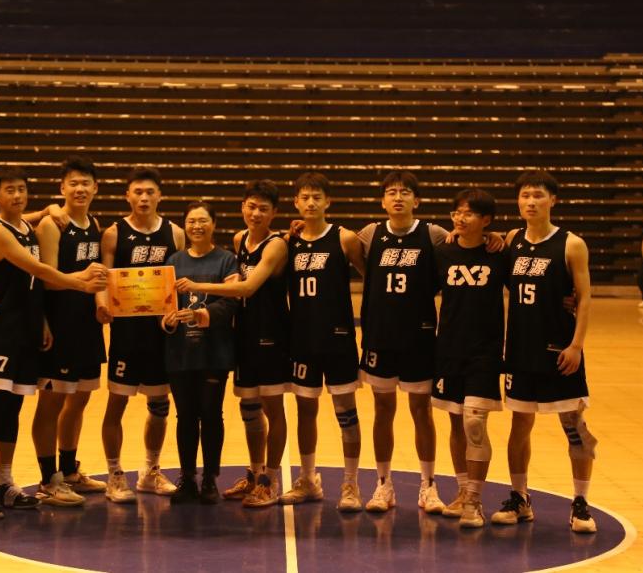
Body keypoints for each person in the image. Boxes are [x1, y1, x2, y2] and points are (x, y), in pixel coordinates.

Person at [0, 166, 107, 517]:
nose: (17, 196)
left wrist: (42, 320)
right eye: (9, 190)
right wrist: (80, 282)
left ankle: (4, 481)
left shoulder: (25, 227)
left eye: (21, 189)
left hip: (28, 328)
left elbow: (32, 275)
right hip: (2, 329)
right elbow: (40, 271)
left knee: (12, 409)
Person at [493, 170, 599, 534]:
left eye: (538, 195)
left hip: (560, 351)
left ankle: (580, 502)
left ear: (553, 200)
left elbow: (584, 297)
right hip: (521, 351)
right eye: (525, 195)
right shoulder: (512, 240)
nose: (531, 202)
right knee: (519, 425)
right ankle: (519, 497)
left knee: (574, 426)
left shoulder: (571, 244)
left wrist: (576, 345)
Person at [175, 180, 290, 508]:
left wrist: (198, 286)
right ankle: (254, 473)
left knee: (273, 407)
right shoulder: (240, 240)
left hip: (272, 335)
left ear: (274, 212)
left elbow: (247, 288)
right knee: (249, 408)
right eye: (251, 207)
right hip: (244, 335)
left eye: (264, 209)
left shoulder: (276, 245)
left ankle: (270, 479)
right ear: (242, 208)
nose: (256, 213)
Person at [356, 171, 445, 515]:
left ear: (416, 200)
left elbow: (462, 253)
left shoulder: (433, 235)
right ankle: (383, 484)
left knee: (421, 410)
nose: (397, 197)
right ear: (382, 201)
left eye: (405, 192)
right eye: (391, 192)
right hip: (380, 334)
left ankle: (428, 485)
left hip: (418, 336)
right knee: (383, 409)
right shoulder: (370, 234)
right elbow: (339, 246)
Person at [96, 167, 185, 503]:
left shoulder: (174, 232)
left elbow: (180, 277)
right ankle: (115, 475)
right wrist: (101, 305)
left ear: (160, 195)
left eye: (150, 192)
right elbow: (103, 278)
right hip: (126, 333)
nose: (144, 198)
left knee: (160, 404)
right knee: (116, 403)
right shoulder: (114, 233)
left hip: (161, 333)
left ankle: (150, 471)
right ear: (127, 196)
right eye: (138, 192)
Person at [280, 172, 366, 512]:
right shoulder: (289, 242)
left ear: (328, 201)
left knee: (346, 412)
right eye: (305, 197)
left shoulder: (344, 238)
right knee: (305, 410)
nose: (311, 203)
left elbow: (371, 277)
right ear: (296, 203)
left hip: (338, 340)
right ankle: (307, 478)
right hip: (302, 339)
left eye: (317, 197)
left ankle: (351, 483)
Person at [31, 156, 108, 507]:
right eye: (73, 183)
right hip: (58, 325)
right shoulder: (52, 225)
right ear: (62, 188)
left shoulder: (94, 224)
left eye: (85, 183)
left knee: (79, 398)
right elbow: (46, 278)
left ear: (95, 188)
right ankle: (49, 479)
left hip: (86, 324)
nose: (79, 189)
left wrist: (102, 301)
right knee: (51, 402)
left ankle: (69, 469)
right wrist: (83, 281)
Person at [431, 188, 508, 528]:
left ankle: (474, 501)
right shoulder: (443, 252)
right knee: (456, 422)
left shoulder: (499, 254)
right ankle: (463, 490)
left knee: (474, 423)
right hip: (449, 349)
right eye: (457, 212)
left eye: (469, 213)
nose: (461, 219)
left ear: (486, 220)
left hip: (484, 352)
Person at [162, 202, 240, 504]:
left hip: (214, 352)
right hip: (180, 352)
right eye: (191, 221)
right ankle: (187, 478)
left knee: (211, 414)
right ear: (185, 226)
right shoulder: (173, 261)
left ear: (214, 224)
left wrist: (200, 315)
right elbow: (163, 302)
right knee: (185, 416)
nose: (197, 226)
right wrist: (168, 320)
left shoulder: (227, 260)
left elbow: (231, 302)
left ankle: (209, 478)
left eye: (203, 220)